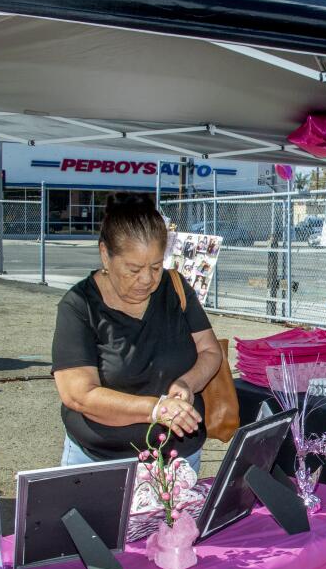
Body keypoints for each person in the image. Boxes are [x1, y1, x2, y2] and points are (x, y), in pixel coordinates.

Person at [51, 192, 222, 472]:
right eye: (133, 269)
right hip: (100, 463)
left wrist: (186, 384)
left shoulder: (175, 287)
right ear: (105, 254)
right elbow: (77, 394)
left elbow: (210, 350)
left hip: (178, 459)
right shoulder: (79, 305)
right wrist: (156, 409)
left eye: (155, 267)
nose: (147, 279)